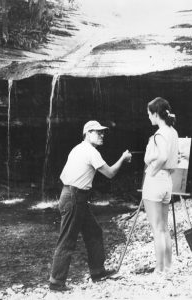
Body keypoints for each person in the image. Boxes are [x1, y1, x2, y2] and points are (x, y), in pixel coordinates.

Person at [49, 120, 132, 291]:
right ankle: (56, 283)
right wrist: (123, 158)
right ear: (87, 133)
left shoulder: (77, 149)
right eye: (98, 132)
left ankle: (98, 272)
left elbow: (63, 175)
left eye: (103, 132)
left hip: (73, 196)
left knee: (94, 232)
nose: (102, 135)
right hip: (75, 197)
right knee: (67, 240)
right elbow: (109, 174)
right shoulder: (90, 151)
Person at [142, 97, 179, 276]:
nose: (148, 118)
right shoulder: (173, 132)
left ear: (156, 114)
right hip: (168, 181)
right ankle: (168, 267)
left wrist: (151, 172)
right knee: (164, 228)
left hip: (156, 180)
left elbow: (162, 157)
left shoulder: (159, 134)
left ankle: (159, 269)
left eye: (149, 115)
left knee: (156, 229)